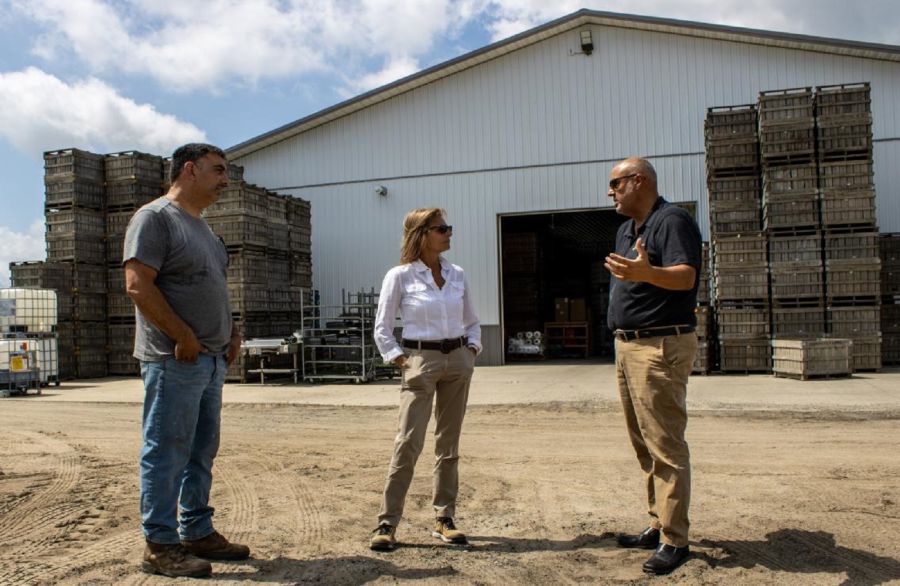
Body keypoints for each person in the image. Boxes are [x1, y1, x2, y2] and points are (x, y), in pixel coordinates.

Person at [124, 143, 250, 578]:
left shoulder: (207, 232)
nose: (225, 179)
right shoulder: (156, 219)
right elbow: (138, 285)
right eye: (218, 170)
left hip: (210, 361)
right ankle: (159, 545)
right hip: (174, 359)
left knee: (200, 451)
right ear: (190, 170)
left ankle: (196, 530)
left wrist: (231, 332)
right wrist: (183, 336)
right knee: (166, 451)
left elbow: (214, 288)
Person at [603, 157, 701, 576]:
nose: (610, 191)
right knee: (644, 443)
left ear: (638, 180)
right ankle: (657, 521)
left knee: (665, 444)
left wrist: (648, 272)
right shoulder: (628, 228)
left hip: (660, 345)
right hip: (628, 346)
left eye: (615, 183)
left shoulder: (672, 220)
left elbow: (686, 277)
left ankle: (675, 539)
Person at [369, 208, 482, 551]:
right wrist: (401, 359)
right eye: (442, 229)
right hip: (421, 360)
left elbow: (472, 320)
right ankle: (387, 524)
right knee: (408, 442)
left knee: (449, 444)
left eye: (449, 227)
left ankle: (444, 518)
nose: (449, 233)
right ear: (421, 234)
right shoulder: (400, 276)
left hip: (458, 360)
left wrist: (472, 350)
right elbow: (382, 327)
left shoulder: (457, 273)